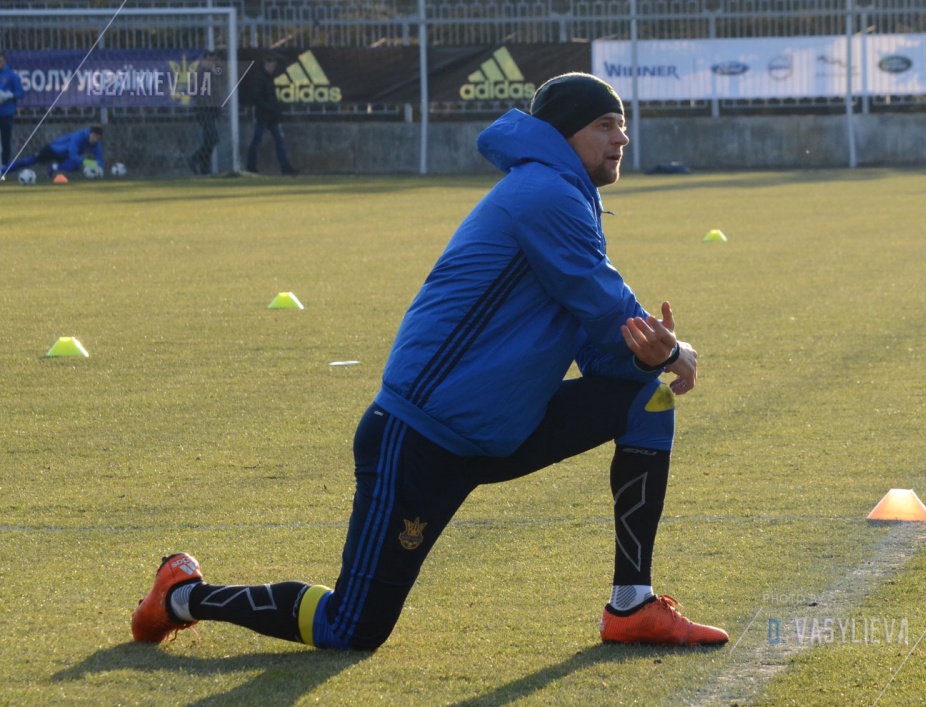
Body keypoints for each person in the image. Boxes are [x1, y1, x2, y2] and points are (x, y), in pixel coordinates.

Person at [132, 73, 729, 650]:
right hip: (422, 438)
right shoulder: (545, 193)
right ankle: (182, 595)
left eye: (621, 124)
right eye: (604, 125)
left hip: (500, 430)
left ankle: (631, 605)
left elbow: (597, 345)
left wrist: (643, 361)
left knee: (644, 398)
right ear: (563, 133)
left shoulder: (565, 196)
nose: (622, 137)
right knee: (351, 628)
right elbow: (605, 303)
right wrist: (671, 351)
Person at [245, 53, 297, 175]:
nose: (272, 68)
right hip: (262, 116)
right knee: (257, 141)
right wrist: (270, 109)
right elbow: (257, 98)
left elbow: (269, 98)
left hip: (271, 116)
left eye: (273, 66)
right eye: (270, 66)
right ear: (265, 65)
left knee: (279, 142)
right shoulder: (260, 78)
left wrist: (275, 110)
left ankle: (285, 168)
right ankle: (251, 167)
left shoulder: (268, 78)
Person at [5, 124, 103, 177]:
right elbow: (73, 154)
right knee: (27, 162)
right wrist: (88, 163)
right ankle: (3, 171)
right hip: (53, 150)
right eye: (94, 136)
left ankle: (54, 167)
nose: (94, 139)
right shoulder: (79, 136)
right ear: (89, 133)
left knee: (75, 165)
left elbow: (99, 159)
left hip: (65, 155)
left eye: (97, 138)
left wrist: (100, 169)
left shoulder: (96, 145)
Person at [187, 50, 222, 175]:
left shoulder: (212, 73)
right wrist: (206, 102)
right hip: (203, 110)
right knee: (212, 138)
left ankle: (204, 167)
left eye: (213, 60)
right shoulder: (200, 73)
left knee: (209, 140)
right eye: (209, 60)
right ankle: (194, 158)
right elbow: (194, 91)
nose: (211, 63)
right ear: (203, 60)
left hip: (211, 110)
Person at [0, 51, 26, 170]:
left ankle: (4, 167)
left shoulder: (12, 76)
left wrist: (9, 95)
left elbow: (20, 93)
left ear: (5, 61)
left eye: (1, 61)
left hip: (6, 114)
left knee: (5, 140)